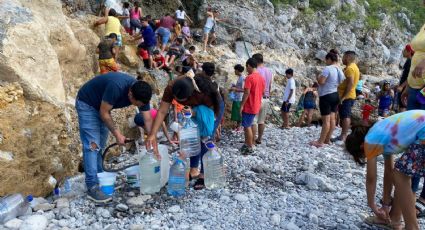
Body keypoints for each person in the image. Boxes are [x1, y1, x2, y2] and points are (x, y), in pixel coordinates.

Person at [76, 72, 154, 203]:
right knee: (92, 145)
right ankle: (92, 187)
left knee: (99, 144)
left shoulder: (142, 93)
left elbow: (147, 119)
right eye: (135, 104)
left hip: (102, 106)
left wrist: (151, 137)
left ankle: (100, 177)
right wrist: (118, 134)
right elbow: (104, 112)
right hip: (87, 104)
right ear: (130, 93)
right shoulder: (116, 86)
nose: (137, 106)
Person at [145, 62, 222, 190]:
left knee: (205, 138)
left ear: (191, 93)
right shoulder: (171, 88)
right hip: (194, 109)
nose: (178, 101)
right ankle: (193, 170)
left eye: (182, 99)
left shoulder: (204, 91)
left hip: (210, 109)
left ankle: (203, 174)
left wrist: (197, 114)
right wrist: (152, 134)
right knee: (193, 137)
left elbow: (211, 112)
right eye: (176, 99)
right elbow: (162, 111)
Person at [345, 110, 425, 230]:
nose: (366, 155)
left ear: (362, 146)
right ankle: (395, 219)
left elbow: (371, 178)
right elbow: (389, 173)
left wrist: (372, 205)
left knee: (400, 176)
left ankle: (411, 227)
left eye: (363, 155)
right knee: (400, 175)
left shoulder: (370, 140)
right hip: (422, 130)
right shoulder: (382, 135)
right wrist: (385, 205)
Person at [310, 50, 345, 148]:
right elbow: (341, 81)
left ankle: (320, 142)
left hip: (326, 95)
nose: (326, 62)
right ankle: (327, 139)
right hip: (335, 94)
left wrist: (318, 77)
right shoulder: (339, 69)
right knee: (333, 119)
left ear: (329, 59)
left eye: (326, 60)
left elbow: (321, 81)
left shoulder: (328, 68)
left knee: (326, 121)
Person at [332, 51, 360, 142]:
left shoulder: (350, 69)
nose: (342, 59)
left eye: (343, 57)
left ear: (347, 57)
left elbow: (350, 83)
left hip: (347, 97)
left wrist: (343, 97)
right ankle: (343, 135)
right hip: (350, 95)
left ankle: (343, 136)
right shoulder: (354, 67)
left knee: (345, 116)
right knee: (344, 115)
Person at [240, 58, 265, 155]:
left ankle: (249, 146)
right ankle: (249, 143)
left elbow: (246, 92)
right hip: (256, 104)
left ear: (249, 66)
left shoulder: (249, 78)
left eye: (247, 67)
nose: (246, 69)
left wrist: (241, 105)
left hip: (249, 105)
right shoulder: (261, 78)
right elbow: (262, 92)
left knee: (247, 126)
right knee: (250, 124)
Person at [252, 53, 273, 144]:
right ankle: (259, 139)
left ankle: (252, 140)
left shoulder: (256, 71)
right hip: (266, 98)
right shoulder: (269, 71)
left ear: (256, 61)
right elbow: (270, 85)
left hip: (258, 97)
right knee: (261, 121)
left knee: (254, 120)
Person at [397, 44, 414, 112]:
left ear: (409, 51)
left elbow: (410, 76)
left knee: (402, 106)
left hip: (405, 88)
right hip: (403, 86)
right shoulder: (408, 61)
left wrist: (401, 86)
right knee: (401, 106)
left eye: (405, 50)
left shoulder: (410, 62)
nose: (403, 51)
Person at [229, 64, 245, 132]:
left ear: (238, 70)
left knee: (239, 112)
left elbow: (244, 89)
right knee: (237, 112)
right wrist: (235, 86)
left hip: (240, 98)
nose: (234, 71)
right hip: (237, 97)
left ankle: (240, 126)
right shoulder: (240, 77)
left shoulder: (243, 78)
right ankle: (238, 126)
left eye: (235, 70)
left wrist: (235, 89)